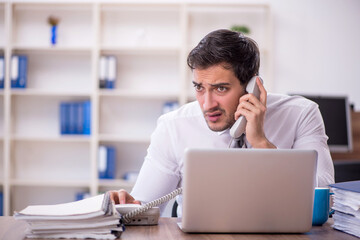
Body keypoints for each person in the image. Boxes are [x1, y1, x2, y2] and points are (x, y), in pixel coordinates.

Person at [109, 29, 335, 216]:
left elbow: (324, 201)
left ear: (251, 87)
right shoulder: (173, 127)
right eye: (199, 88)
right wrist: (128, 205)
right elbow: (142, 210)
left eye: (220, 88)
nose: (207, 104)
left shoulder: (301, 114)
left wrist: (261, 144)